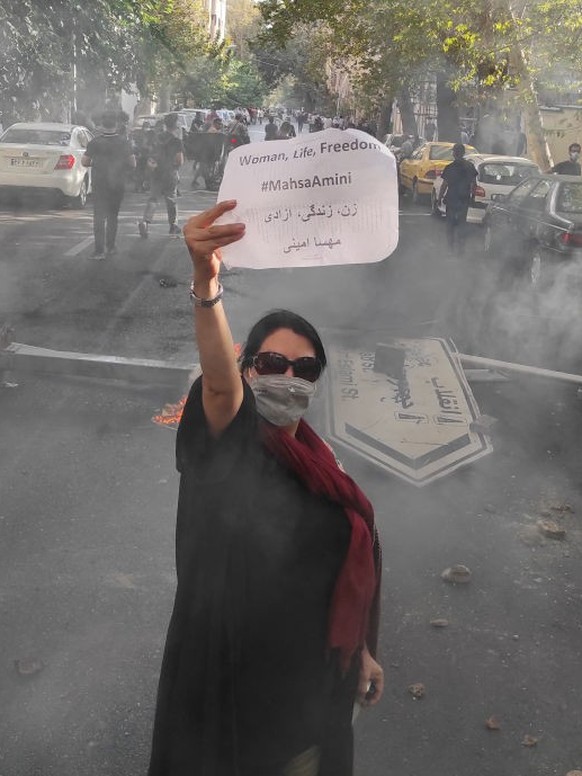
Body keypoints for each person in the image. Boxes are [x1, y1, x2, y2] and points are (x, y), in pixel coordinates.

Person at [147, 200, 384, 776]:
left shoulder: (318, 457)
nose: (288, 377)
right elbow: (222, 394)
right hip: (230, 703)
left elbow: (347, 563)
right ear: (248, 366)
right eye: (272, 362)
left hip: (312, 700)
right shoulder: (229, 442)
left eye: (305, 370)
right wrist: (207, 288)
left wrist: (364, 652)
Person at [81, 110, 135, 259]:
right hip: (117, 185)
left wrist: (96, 163)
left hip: (100, 185)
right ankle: (111, 247)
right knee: (113, 216)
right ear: (116, 124)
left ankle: (99, 251)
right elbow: (133, 163)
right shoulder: (124, 142)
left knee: (99, 217)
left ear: (101, 125)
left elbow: (85, 162)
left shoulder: (95, 142)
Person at [138, 113, 184, 239]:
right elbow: (180, 160)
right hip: (170, 173)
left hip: (156, 172)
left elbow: (150, 154)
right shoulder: (176, 141)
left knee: (153, 199)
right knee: (171, 200)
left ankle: (145, 222)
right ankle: (173, 226)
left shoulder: (157, 138)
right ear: (175, 125)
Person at [437, 142, 477, 256]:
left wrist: (439, 198)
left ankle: (450, 249)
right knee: (462, 224)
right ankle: (461, 249)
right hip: (464, 199)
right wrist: (472, 196)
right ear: (463, 153)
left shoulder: (450, 167)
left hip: (451, 199)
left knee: (450, 225)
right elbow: (474, 184)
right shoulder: (470, 167)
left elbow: (444, 184)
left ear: (454, 153)